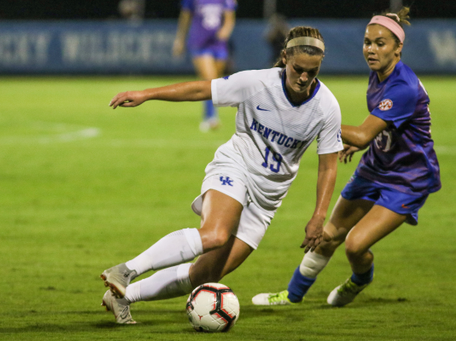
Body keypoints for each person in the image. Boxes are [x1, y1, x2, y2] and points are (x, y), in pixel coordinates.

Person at [100, 26, 343, 324]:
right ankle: (126, 269)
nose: (304, 78)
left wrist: (319, 216)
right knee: (215, 234)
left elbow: (328, 165)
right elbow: (202, 89)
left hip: (267, 199)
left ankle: (122, 296)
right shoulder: (256, 82)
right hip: (235, 168)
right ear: (284, 59)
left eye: (312, 71)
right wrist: (147, 94)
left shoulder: (327, 107)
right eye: (298, 69)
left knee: (206, 273)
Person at [252, 7, 441, 308]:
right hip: (377, 165)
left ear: (398, 47)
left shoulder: (403, 87)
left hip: (408, 179)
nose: (371, 49)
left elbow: (365, 133)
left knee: (354, 246)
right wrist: (363, 142)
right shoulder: (379, 74)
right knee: (328, 236)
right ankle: (291, 295)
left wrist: (313, 118)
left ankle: (360, 279)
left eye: (380, 43)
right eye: (368, 42)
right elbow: (382, 129)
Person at [172, 0, 237, 132]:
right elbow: (185, 17)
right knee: (209, 79)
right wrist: (180, 39)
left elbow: (229, 19)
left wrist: (225, 31)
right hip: (199, 43)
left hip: (218, 44)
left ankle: (208, 115)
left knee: (215, 82)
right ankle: (211, 117)